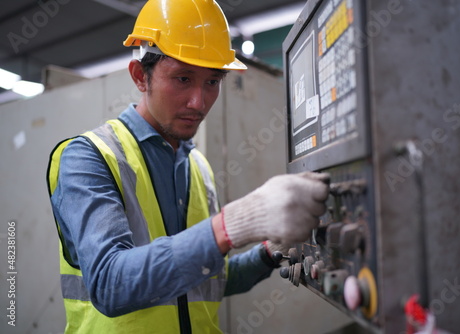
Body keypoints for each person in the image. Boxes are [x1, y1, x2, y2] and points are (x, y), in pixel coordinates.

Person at [46, 0, 330, 333]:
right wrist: (230, 225)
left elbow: (208, 280)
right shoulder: (89, 158)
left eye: (212, 82)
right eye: (183, 78)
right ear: (141, 76)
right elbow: (110, 284)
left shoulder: (197, 167)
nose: (199, 102)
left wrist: (269, 252)